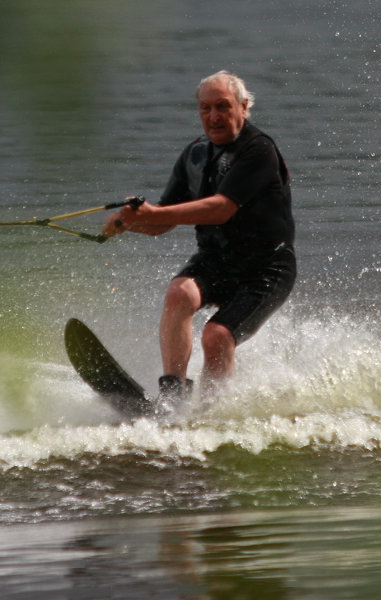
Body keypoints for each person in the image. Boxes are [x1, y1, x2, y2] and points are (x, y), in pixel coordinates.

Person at [102, 71, 296, 407]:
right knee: (179, 294)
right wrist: (127, 222)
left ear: (243, 106)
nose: (214, 117)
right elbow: (163, 220)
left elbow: (221, 209)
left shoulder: (259, 150)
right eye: (205, 109)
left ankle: (209, 414)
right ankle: (173, 399)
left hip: (267, 269)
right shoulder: (194, 155)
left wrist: (154, 215)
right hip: (217, 261)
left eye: (223, 106)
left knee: (217, 336)